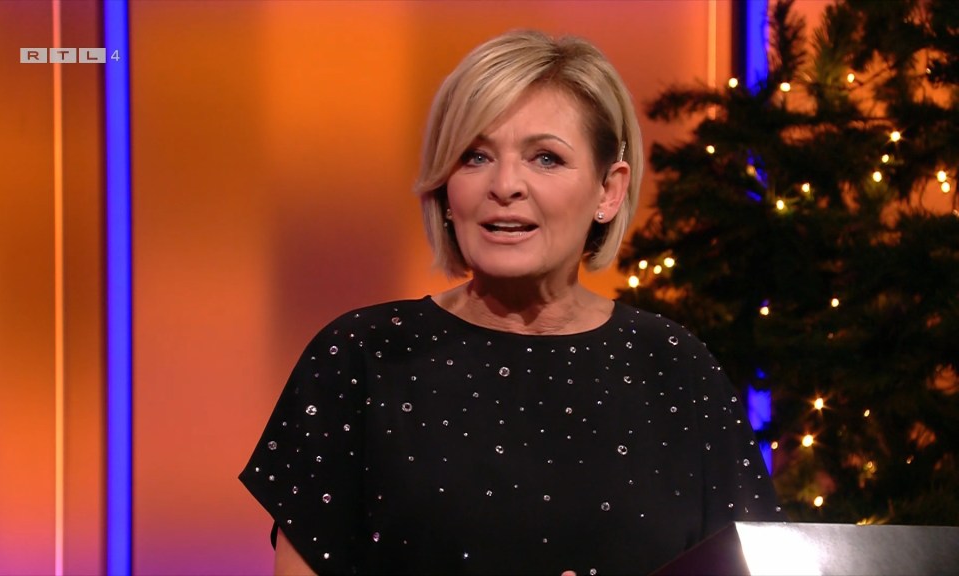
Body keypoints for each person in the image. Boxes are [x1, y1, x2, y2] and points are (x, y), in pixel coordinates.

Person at [240, 29, 782, 576]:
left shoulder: (674, 368)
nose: (504, 185)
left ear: (608, 191)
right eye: (474, 156)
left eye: (546, 158)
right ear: (445, 188)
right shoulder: (361, 357)